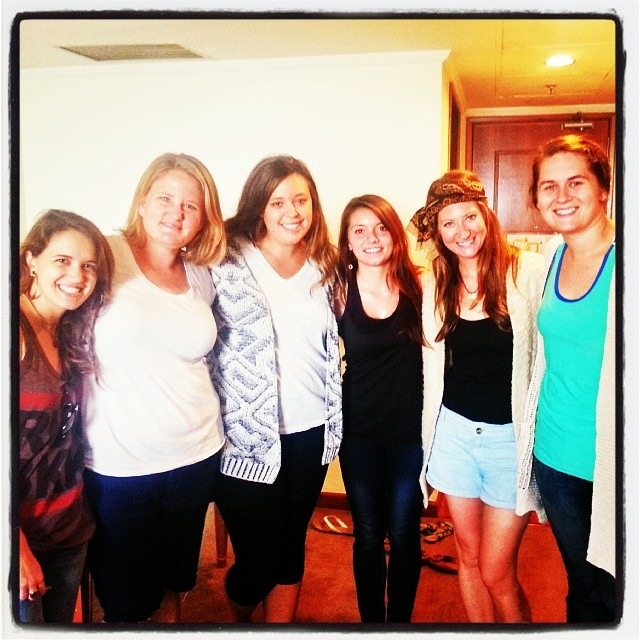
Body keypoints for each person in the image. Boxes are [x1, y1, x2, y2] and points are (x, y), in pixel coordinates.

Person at [82, 153, 227, 623]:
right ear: (142, 201)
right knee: (125, 603)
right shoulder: (104, 255)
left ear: (203, 219)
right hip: (120, 465)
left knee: (175, 583)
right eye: (165, 198)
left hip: (196, 454)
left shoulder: (200, 272)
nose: (176, 213)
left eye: (191, 206)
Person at [208, 155, 342, 623]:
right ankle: (240, 607)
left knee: (290, 544)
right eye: (278, 201)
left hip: (312, 432)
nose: (291, 211)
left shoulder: (327, 264)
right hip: (244, 436)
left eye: (300, 200)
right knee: (259, 558)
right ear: (259, 207)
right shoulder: (225, 259)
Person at [415, 169, 546, 623]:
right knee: (468, 558)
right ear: (437, 232)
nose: (462, 231)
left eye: (469, 216)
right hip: (453, 436)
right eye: (448, 223)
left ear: (486, 215)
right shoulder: (436, 281)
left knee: (497, 570)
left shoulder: (526, 271)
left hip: (509, 442)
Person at [524, 134, 617, 622]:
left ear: (603, 189)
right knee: (582, 586)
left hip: (615, 460)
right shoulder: (550, 257)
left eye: (576, 182)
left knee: (619, 590)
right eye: (549, 186)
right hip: (556, 455)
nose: (562, 196)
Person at [17, 209, 113, 623]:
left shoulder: (73, 329)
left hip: (69, 528)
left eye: (88, 265)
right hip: (21, 539)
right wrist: (15, 548)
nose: (77, 275)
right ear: (32, 260)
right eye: (63, 260)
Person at [334, 194, 424, 623]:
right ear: (348, 242)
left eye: (381, 228)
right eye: (360, 230)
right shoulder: (337, 293)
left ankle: (400, 626)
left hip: (411, 436)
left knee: (405, 534)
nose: (372, 238)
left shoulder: (420, 286)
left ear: (395, 234)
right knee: (368, 535)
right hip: (359, 434)